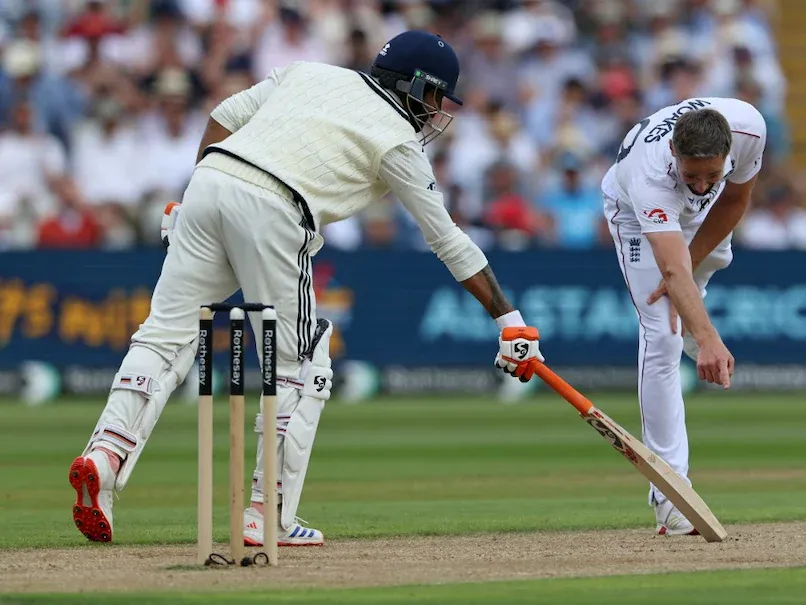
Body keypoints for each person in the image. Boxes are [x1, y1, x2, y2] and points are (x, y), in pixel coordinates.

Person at [69, 30, 545, 547]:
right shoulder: (397, 139)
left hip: (210, 180)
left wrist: (197, 199)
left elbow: (224, 116)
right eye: (434, 96)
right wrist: (509, 320)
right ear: (412, 85)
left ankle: (105, 455)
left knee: (164, 335)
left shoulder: (310, 72)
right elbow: (447, 239)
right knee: (303, 366)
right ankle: (266, 514)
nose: (435, 111)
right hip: (276, 207)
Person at [601, 97, 766, 535]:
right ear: (674, 151)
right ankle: (671, 496)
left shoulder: (750, 129)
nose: (700, 184)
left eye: (712, 174)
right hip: (634, 215)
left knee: (712, 260)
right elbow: (672, 271)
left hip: (699, 216)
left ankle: (694, 313)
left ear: (729, 151)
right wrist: (709, 338)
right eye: (692, 175)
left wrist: (689, 291)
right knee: (662, 335)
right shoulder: (650, 177)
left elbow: (733, 201)